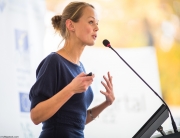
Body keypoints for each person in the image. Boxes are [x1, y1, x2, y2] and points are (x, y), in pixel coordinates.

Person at [29, 1, 115, 138]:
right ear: (70, 25)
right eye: (91, 22)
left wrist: (106, 103)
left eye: (97, 23)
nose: (97, 28)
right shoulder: (54, 62)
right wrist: (71, 89)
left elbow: (75, 122)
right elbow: (36, 116)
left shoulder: (80, 67)